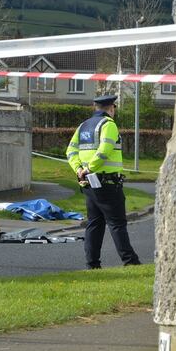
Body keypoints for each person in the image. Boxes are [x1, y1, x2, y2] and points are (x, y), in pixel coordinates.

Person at [66, 95, 141, 268]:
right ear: (111, 108)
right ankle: (130, 261)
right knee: (117, 223)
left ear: (96, 107)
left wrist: (79, 169)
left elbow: (70, 151)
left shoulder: (83, 126)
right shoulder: (108, 125)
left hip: (89, 183)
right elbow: (104, 150)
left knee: (94, 224)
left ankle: (92, 264)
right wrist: (89, 169)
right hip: (107, 183)